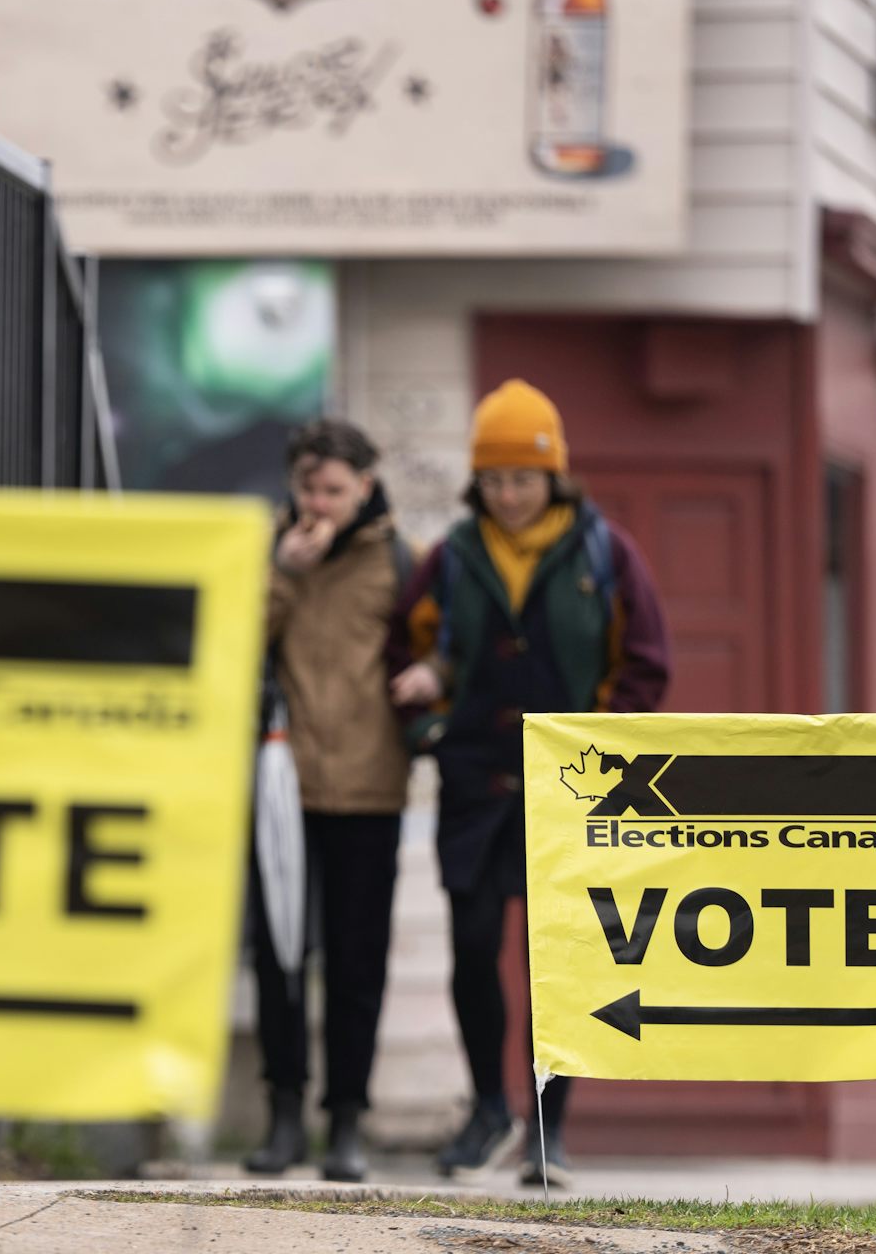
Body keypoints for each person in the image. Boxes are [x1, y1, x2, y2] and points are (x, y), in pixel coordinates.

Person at [390, 380, 668, 1188]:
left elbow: (647, 664)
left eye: (525, 477)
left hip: (574, 789)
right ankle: (486, 1109)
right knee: (474, 944)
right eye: (496, 479)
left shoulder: (604, 555)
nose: (509, 494)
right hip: (475, 785)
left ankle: (549, 1128)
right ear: (478, 481)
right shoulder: (449, 557)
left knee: (562, 959)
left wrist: (599, 744)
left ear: (555, 476)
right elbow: (405, 655)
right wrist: (428, 729)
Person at [247, 418, 417, 1184]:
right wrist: (283, 571)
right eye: (309, 488)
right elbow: (234, 642)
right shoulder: (269, 552)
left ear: (365, 488)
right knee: (280, 955)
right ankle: (284, 1114)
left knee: (358, 964)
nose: (320, 503)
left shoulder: (398, 562)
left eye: (336, 490)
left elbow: (427, 649)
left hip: (370, 785)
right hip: (281, 786)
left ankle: (347, 1119)